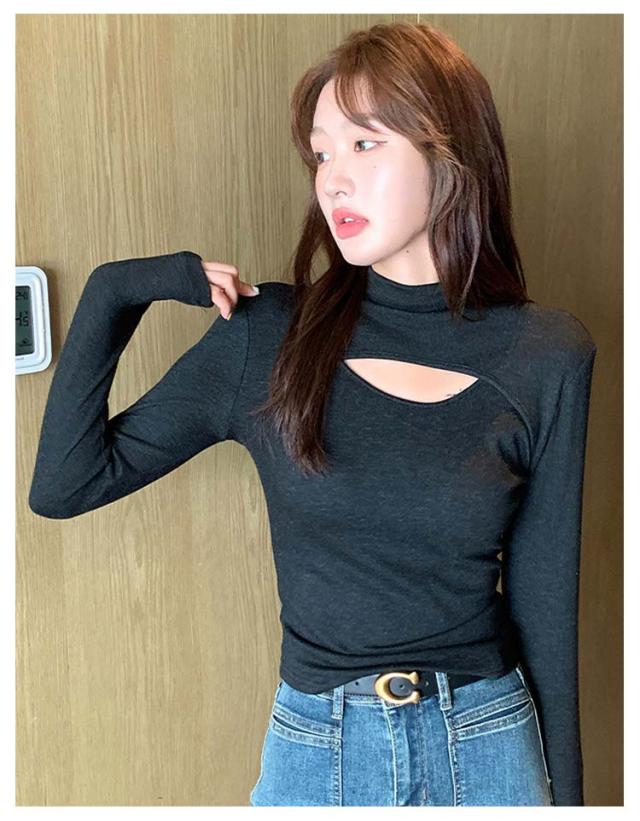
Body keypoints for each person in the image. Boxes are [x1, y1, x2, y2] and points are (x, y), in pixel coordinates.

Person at [29, 21, 597, 807]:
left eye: (364, 144)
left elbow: (545, 601)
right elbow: (66, 483)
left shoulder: (548, 353)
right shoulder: (268, 338)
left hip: (487, 741)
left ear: (451, 154)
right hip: (318, 750)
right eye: (322, 154)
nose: (333, 181)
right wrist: (115, 290)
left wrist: (569, 801)